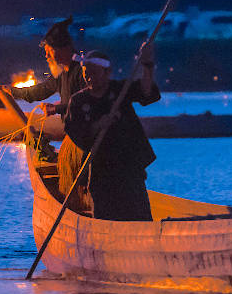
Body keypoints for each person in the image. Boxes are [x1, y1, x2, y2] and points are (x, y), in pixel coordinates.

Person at [63, 46, 161, 221]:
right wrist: (98, 125)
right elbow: (75, 131)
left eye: (94, 72)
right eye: (86, 72)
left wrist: (147, 65)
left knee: (139, 215)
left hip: (129, 166)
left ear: (107, 72)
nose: (89, 76)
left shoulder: (119, 90)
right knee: (104, 215)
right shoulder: (78, 101)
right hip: (101, 169)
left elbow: (147, 92)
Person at [0, 17, 88, 188]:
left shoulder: (83, 71)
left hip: (87, 140)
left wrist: (57, 108)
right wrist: (11, 91)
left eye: (49, 51)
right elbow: (39, 91)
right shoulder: (62, 75)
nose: (46, 56)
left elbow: (89, 101)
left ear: (64, 49)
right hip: (73, 137)